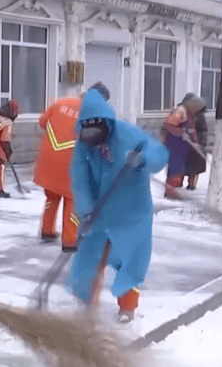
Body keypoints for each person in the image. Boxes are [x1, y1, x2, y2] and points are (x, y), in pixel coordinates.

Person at [67, 88, 169, 323]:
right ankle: (86, 302)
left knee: (130, 259)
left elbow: (159, 155)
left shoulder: (129, 134)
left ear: (106, 125)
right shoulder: (83, 144)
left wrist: (142, 160)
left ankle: (127, 307)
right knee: (91, 254)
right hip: (100, 211)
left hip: (132, 211)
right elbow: (79, 180)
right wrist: (85, 210)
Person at [35, 82, 110, 252]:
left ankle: (47, 231)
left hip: (49, 160)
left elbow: (42, 122)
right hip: (72, 164)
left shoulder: (60, 102)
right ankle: (69, 242)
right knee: (72, 201)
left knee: (52, 196)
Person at [160, 93, 206, 199]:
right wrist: (181, 133)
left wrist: (195, 142)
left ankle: (174, 190)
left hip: (183, 146)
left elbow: (192, 130)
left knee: (183, 168)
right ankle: (170, 192)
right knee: (176, 167)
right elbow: (168, 125)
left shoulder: (191, 114)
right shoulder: (180, 111)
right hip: (174, 144)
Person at [185, 99, 208, 191]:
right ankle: (190, 183)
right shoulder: (190, 115)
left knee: (195, 166)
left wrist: (201, 144)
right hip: (190, 143)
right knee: (190, 165)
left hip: (197, 143)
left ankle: (192, 184)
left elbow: (203, 132)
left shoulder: (200, 117)